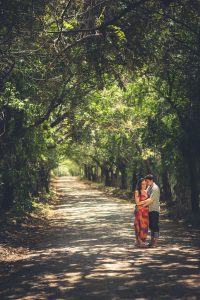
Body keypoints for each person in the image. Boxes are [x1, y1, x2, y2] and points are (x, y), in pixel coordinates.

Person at [143, 174, 160, 248]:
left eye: (147, 181)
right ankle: (152, 242)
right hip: (149, 209)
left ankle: (155, 243)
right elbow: (145, 194)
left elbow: (150, 200)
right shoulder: (149, 187)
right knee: (150, 226)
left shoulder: (155, 188)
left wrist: (141, 205)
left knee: (155, 226)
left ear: (151, 180)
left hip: (154, 209)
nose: (146, 183)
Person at [133, 178, 149, 247]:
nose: (144, 185)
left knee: (145, 226)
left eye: (145, 184)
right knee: (139, 225)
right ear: (139, 184)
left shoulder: (146, 191)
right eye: (142, 184)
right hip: (139, 211)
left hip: (146, 211)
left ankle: (142, 240)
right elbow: (137, 202)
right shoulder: (137, 191)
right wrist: (146, 201)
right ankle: (139, 241)